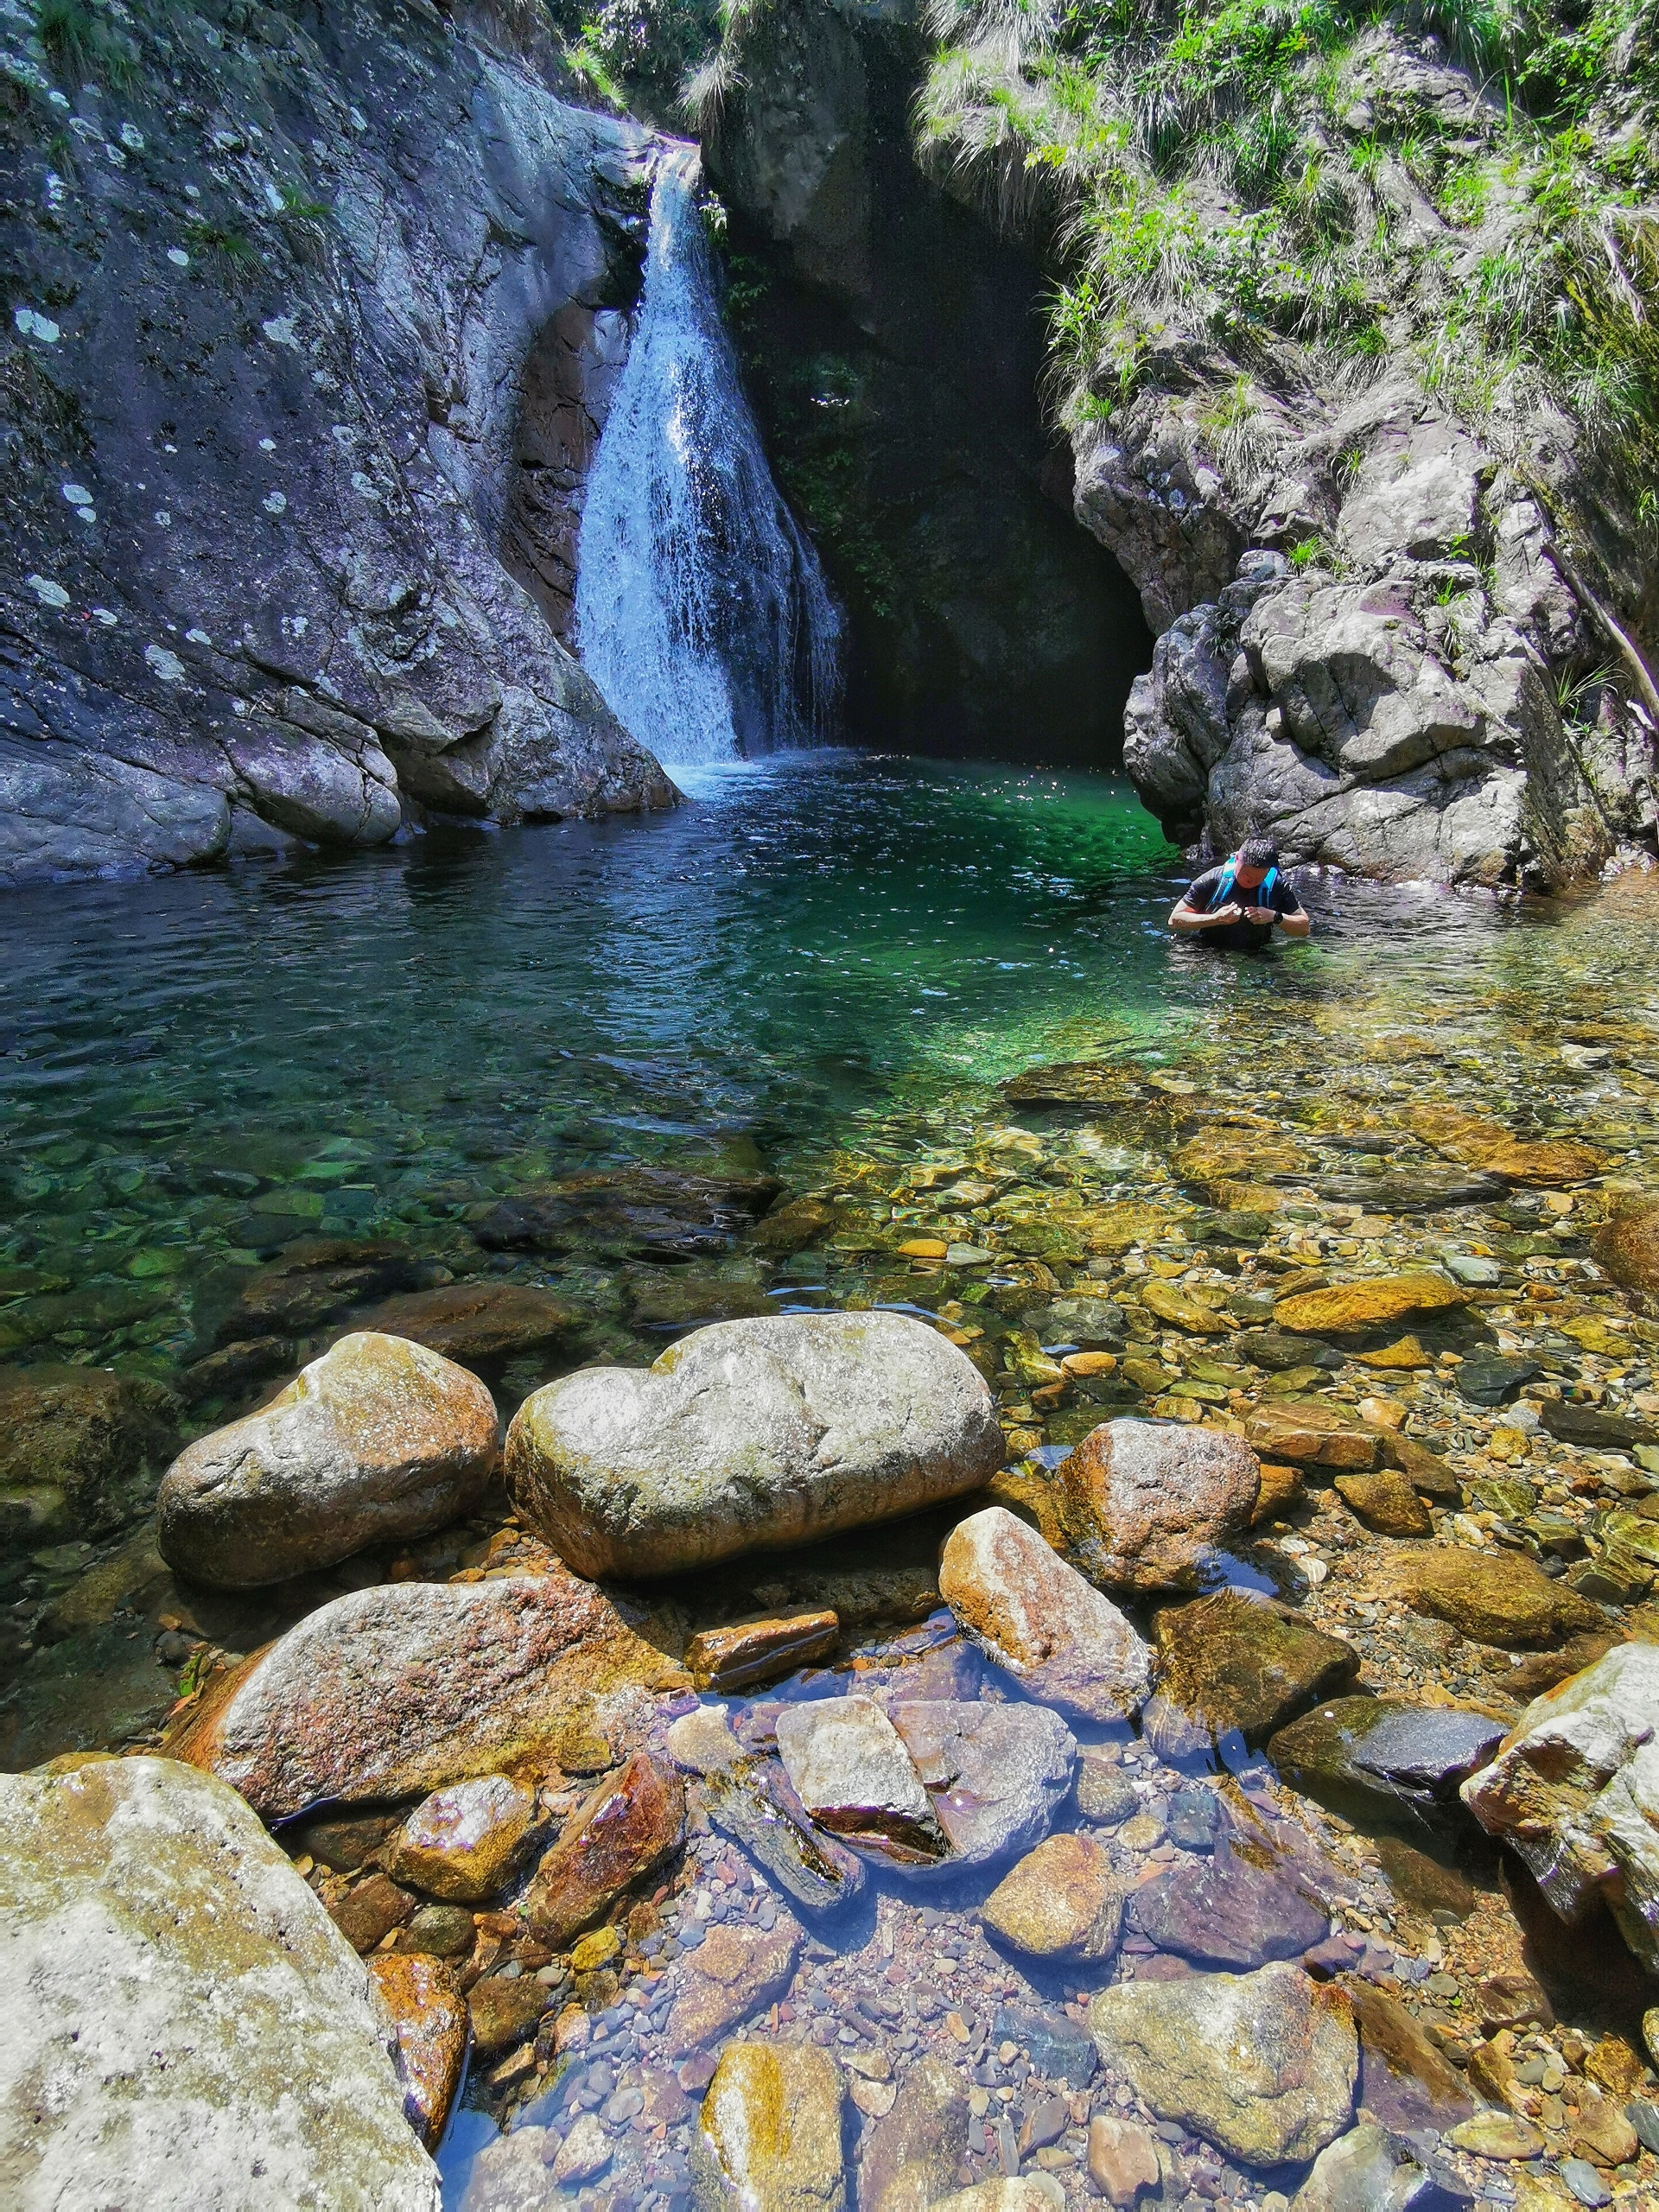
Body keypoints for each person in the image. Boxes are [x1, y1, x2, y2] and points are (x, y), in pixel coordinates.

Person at [1169, 836, 1309, 949]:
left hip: (1256, 951)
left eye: (1260, 877)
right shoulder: (1212, 880)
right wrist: (1216, 918)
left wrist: (1275, 916)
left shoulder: (1276, 885)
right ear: (1237, 860)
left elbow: (1304, 928)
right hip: (1208, 948)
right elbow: (1174, 920)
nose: (1252, 882)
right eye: (1247, 875)